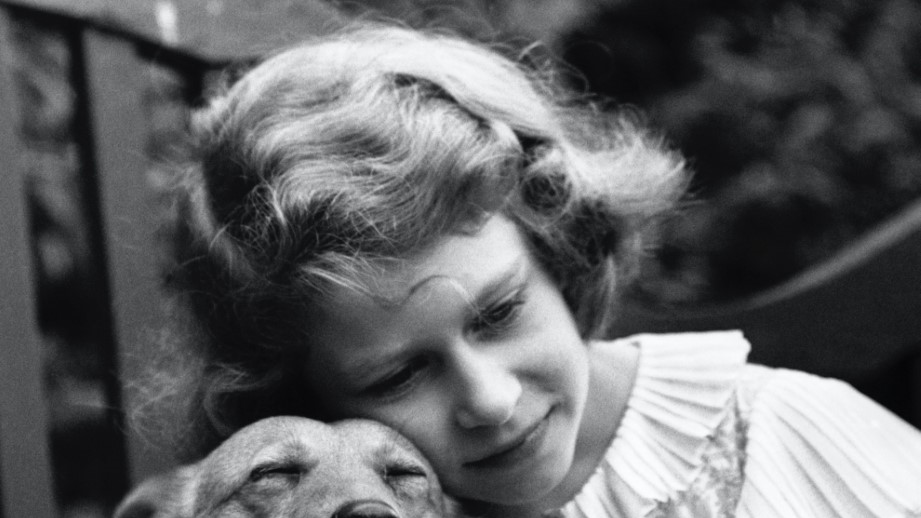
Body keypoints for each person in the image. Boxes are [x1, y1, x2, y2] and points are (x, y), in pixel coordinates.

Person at [143, 23, 921, 517]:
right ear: (307, 395)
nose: (490, 398)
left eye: (498, 312)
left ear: (559, 252)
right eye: (396, 376)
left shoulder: (777, 438)